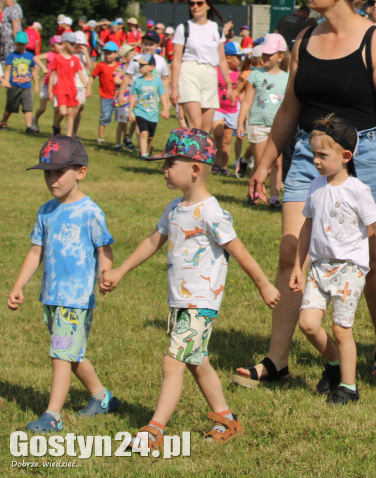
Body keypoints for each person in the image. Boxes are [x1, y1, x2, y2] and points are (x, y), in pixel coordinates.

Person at [237, 0, 376, 386]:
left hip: (362, 157)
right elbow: (289, 108)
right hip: (306, 156)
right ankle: (278, 360)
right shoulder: (303, 40)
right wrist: (263, 165)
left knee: (368, 258)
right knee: (290, 251)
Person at [100, 128, 280, 447]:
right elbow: (153, 241)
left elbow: (240, 252)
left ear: (194, 169)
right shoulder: (174, 207)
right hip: (180, 301)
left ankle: (154, 429)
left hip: (201, 302)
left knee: (173, 362)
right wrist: (121, 271)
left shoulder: (211, 212)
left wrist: (265, 285)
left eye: (170, 163)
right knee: (197, 362)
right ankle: (226, 419)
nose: (164, 170)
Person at [7, 136, 119, 433]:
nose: (52, 179)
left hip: (76, 298)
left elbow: (103, 247)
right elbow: (36, 251)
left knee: (60, 354)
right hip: (51, 296)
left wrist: (104, 274)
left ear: (80, 172)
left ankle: (52, 415)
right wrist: (19, 285)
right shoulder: (46, 211)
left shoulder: (90, 211)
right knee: (70, 353)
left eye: (59, 172)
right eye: (47, 172)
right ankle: (102, 397)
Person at [289, 115, 376, 404]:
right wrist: (298, 267)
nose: (315, 160)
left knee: (341, 329)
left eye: (322, 155)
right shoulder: (316, 186)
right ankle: (335, 363)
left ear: (345, 155)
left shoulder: (358, 191)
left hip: (349, 270)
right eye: (314, 153)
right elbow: (306, 228)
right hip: (318, 268)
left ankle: (348, 387)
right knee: (309, 324)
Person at [238, 33, 289, 208]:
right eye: (264, 53)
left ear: (281, 56)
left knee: (277, 164)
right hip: (258, 124)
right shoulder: (255, 74)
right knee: (261, 164)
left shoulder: (287, 77)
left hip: (278, 125)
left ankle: (274, 199)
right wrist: (240, 123)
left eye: (270, 54)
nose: (266, 57)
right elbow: (246, 101)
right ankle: (254, 193)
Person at [170, 0, 232, 133]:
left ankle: (201, 155)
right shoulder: (183, 28)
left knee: (205, 128)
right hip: (189, 73)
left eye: (199, 3)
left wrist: (228, 84)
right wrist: (174, 88)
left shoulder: (216, 28)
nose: (195, 6)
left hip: (210, 74)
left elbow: (222, 59)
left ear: (208, 6)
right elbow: (177, 60)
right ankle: (191, 155)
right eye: (192, 3)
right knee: (195, 125)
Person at [129, 54, 171, 159]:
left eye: (142, 65)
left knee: (150, 137)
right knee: (143, 133)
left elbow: (162, 95)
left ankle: (148, 151)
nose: (140, 67)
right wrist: (131, 112)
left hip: (153, 114)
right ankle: (143, 155)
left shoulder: (157, 81)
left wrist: (165, 109)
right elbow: (133, 97)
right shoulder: (137, 81)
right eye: (139, 65)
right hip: (140, 112)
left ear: (151, 67)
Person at [212, 41, 243, 176]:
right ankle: (215, 164)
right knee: (218, 134)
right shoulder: (217, 70)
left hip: (232, 110)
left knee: (227, 140)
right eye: (238, 57)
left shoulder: (239, 74)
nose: (240, 60)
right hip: (217, 108)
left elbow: (242, 92)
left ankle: (224, 166)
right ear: (228, 58)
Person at [49, 32, 88, 137]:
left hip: (71, 89)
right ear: (65, 44)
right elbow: (52, 75)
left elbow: (81, 74)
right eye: (71, 44)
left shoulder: (75, 59)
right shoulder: (58, 58)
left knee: (70, 114)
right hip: (60, 89)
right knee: (63, 112)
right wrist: (50, 91)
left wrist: (87, 87)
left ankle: (69, 136)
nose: (74, 46)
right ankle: (56, 125)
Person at [3, 30, 38, 132]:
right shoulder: (11, 56)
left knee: (28, 107)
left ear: (26, 45)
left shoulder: (29, 56)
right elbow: (8, 69)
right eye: (18, 44)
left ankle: (28, 127)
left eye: (22, 45)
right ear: (15, 44)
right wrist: (6, 81)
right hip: (14, 84)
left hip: (26, 85)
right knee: (10, 107)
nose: (20, 47)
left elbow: (34, 70)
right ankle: (3, 122)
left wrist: (36, 84)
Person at [90, 42, 121, 145]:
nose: (107, 55)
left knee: (121, 119)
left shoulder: (119, 66)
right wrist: (88, 87)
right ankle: (101, 137)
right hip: (106, 96)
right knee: (105, 116)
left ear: (116, 54)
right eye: (106, 53)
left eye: (110, 53)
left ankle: (121, 139)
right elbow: (93, 76)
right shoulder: (101, 65)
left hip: (117, 97)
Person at [1, 0, 24, 70]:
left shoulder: (14, 9)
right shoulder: (6, 8)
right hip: (5, 39)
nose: (3, 1)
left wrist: (15, 36)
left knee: (11, 56)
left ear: (10, 0)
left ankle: (12, 72)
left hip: (11, 39)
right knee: (5, 57)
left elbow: (15, 23)